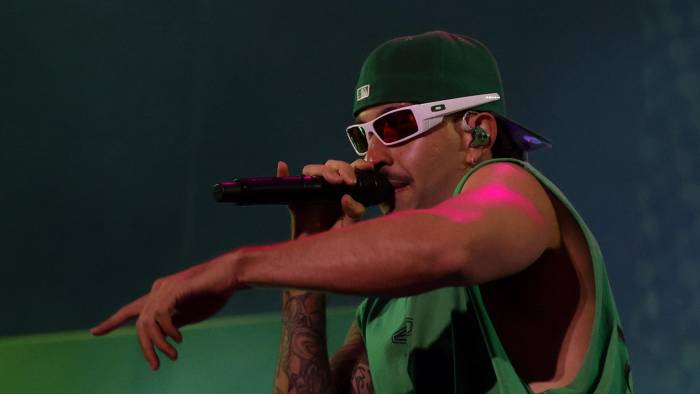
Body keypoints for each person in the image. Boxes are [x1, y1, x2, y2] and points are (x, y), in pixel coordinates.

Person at [91, 31, 633, 393]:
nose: (371, 156)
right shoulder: (386, 303)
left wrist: (237, 268)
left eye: (396, 127)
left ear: (476, 132)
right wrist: (307, 243)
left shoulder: (513, 191)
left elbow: (449, 245)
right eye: (363, 134)